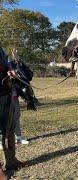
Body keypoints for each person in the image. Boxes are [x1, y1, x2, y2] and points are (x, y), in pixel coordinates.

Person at [0, 47, 25, 179]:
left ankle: (11, 160)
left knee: (9, 130)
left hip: (6, 93)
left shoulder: (1, 49)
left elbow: (6, 62)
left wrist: (9, 69)